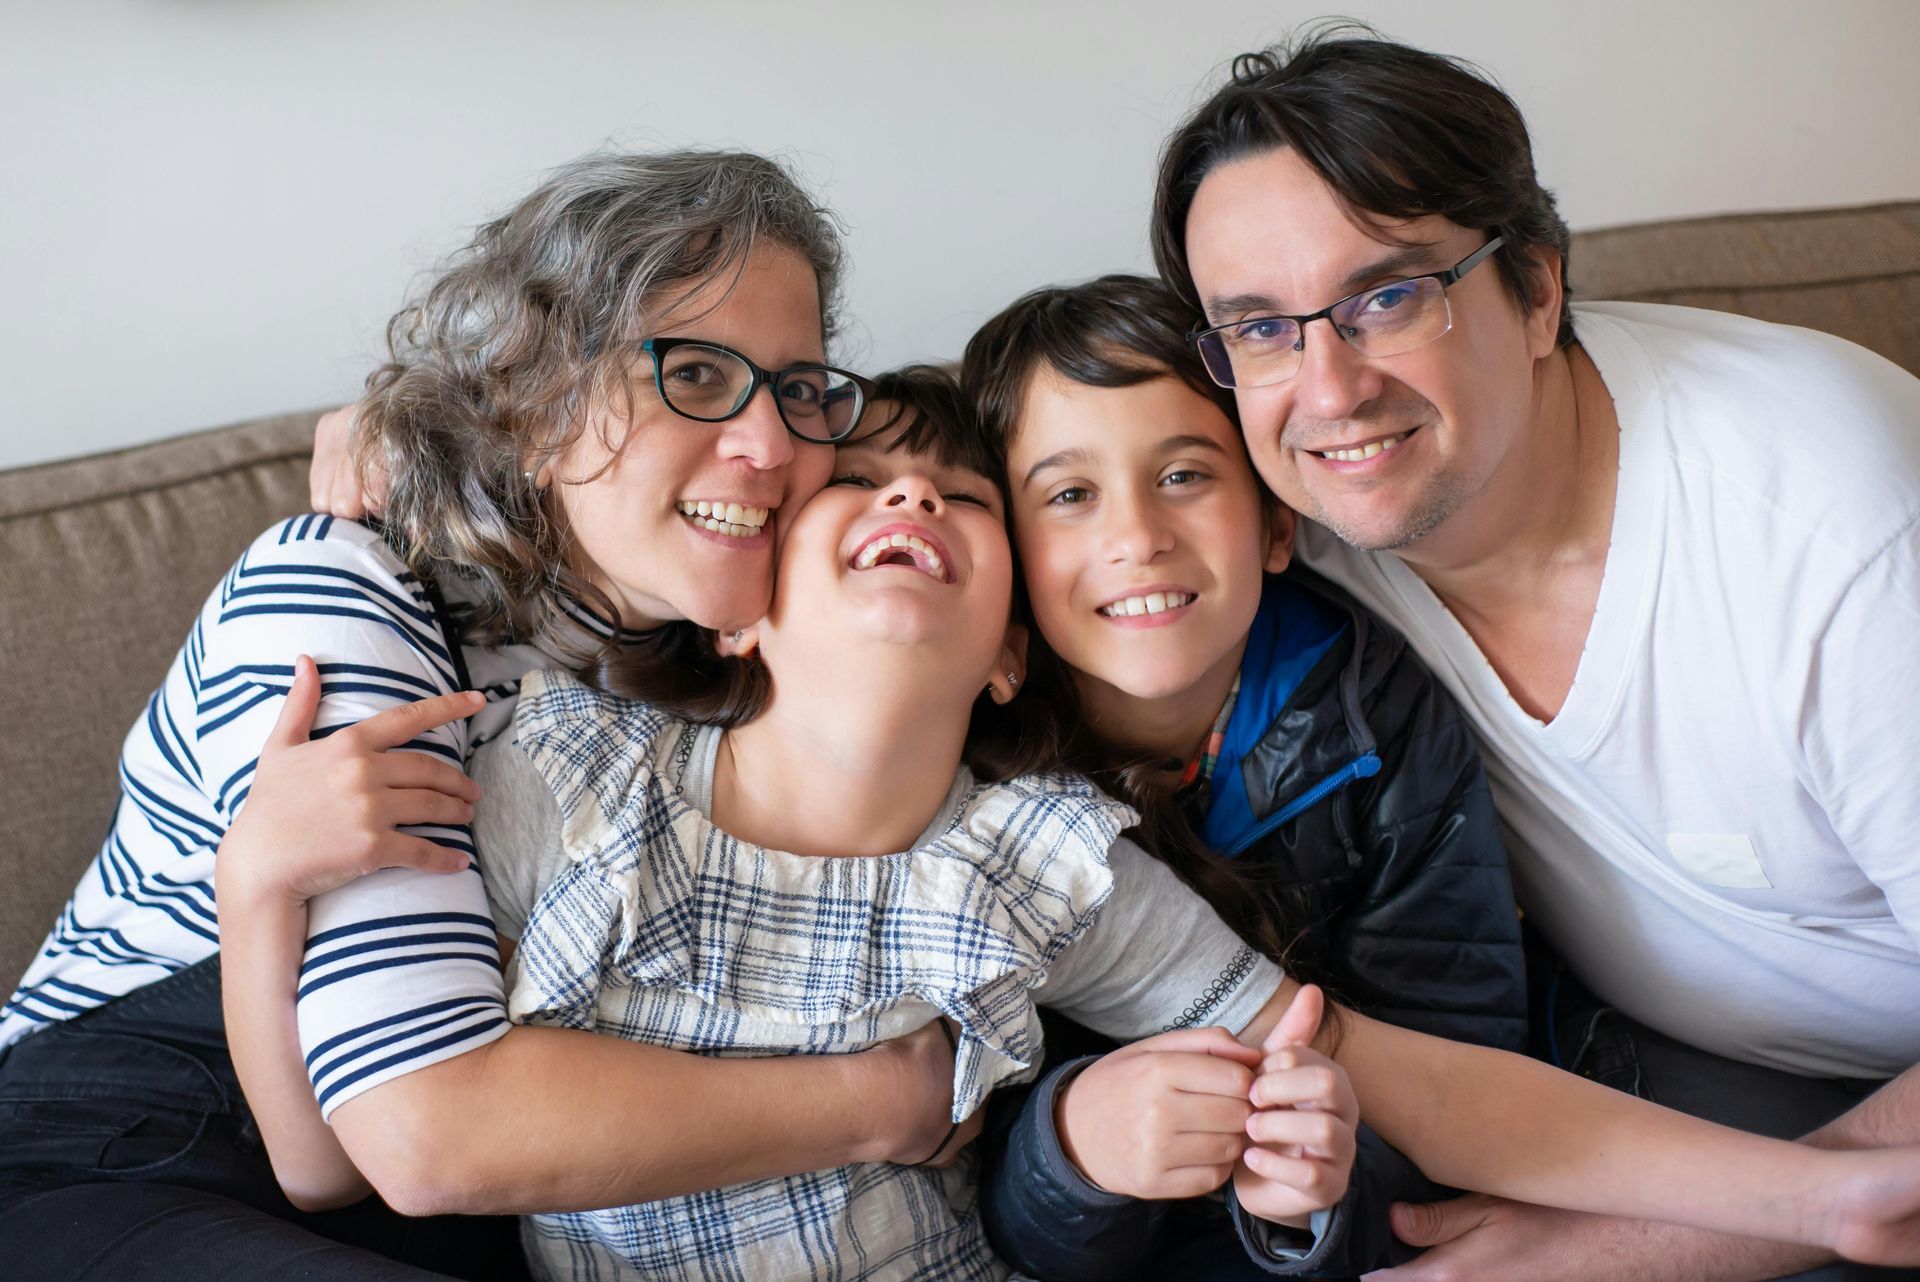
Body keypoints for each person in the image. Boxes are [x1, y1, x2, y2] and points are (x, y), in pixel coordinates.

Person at [232, 368, 1920, 1282]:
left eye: (961, 500)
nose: (909, 501)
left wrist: (1801, 1199)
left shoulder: (1040, 864)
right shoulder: (558, 769)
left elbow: (1418, 1073)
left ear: (1010, 652)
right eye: (859, 492)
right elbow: (326, 1152)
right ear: (738, 610)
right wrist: (258, 883)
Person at [0, 150, 967, 1279]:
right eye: (697, 373)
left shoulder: (733, 654)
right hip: (124, 1154)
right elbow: (426, 1135)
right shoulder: (344, 584)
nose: (767, 445)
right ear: (535, 396)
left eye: (800, 389)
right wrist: (877, 1101)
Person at [1150, 25, 1920, 1282]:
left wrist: (1639, 1247)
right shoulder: (1288, 524)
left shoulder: (1834, 525)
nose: (1330, 388)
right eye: (1262, 329)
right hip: (1651, 1070)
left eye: (1386, 296)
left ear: (1540, 289)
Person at [958, 273, 1524, 1277]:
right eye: (1071, 495)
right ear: (1006, 545)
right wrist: (1071, 1148)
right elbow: (978, 1171)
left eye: (1182, 476)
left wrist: (1313, 1195)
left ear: (1274, 524)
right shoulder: (970, 760)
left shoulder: (1375, 711)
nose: (1137, 537)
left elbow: (1468, 1060)